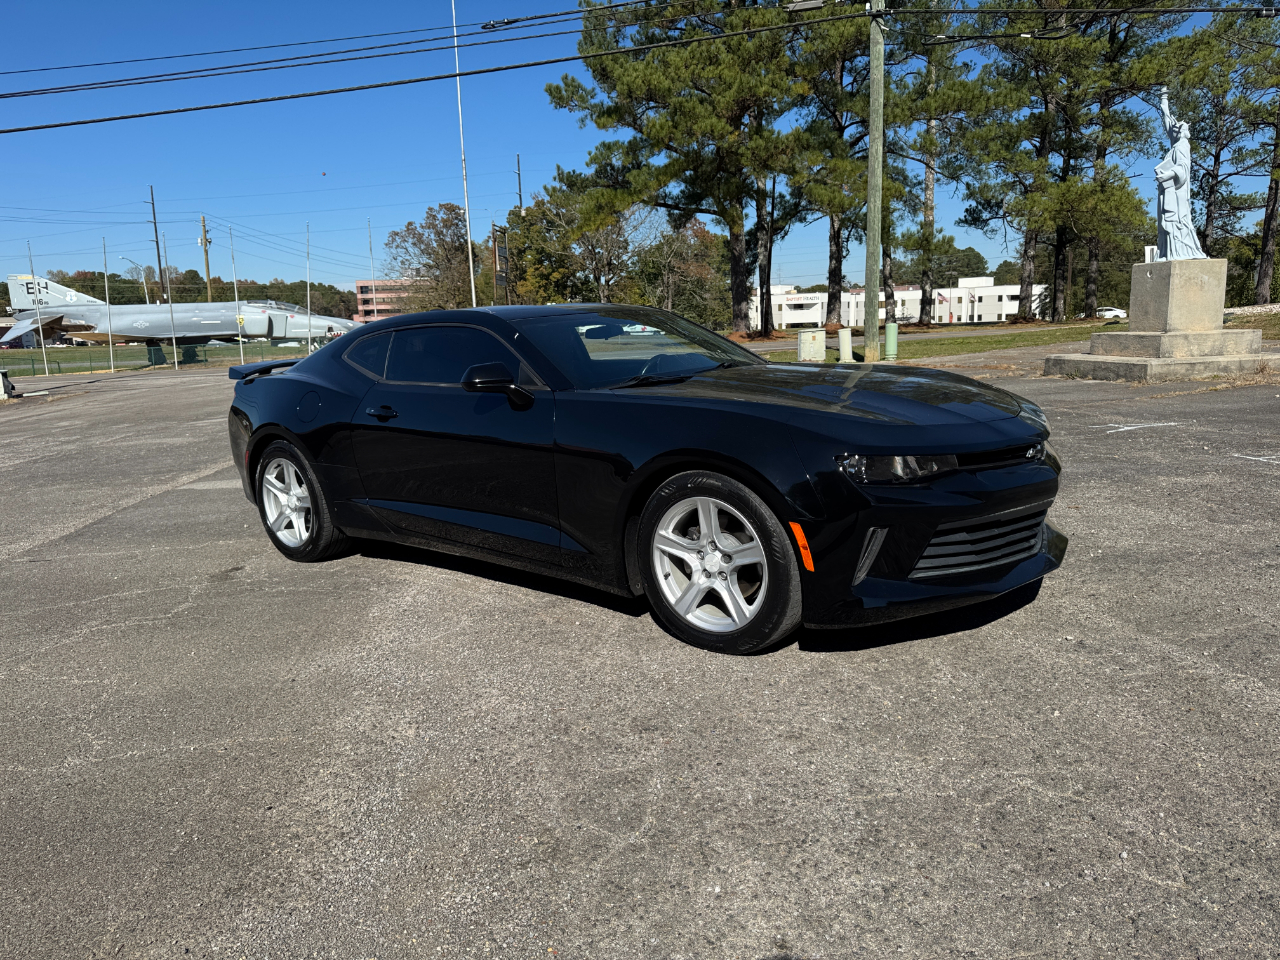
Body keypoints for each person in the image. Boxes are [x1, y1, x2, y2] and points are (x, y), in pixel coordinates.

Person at [1154, 86, 1207, 261]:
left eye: (1178, 128)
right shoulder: (1176, 143)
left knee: (1176, 221)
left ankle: (1179, 251)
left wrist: (1167, 175)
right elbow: (1168, 122)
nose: (1175, 130)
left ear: (1184, 132)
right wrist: (1164, 100)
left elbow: (1183, 168)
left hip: (1177, 191)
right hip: (1167, 188)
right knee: (1166, 222)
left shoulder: (1183, 145)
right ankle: (1166, 252)